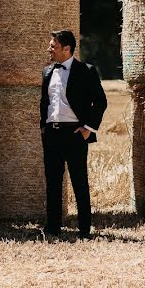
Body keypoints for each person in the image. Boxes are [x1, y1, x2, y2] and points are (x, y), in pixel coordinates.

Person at [39, 30, 107, 239]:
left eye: (53, 46)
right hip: (52, 133)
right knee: (52, 181)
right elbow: (46, 102)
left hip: (75, 133)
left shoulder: (86, 71)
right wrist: (44, 127)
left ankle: (84, 229)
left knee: (79, 181)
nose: (49, 49)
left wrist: (89, 128)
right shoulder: (47, 71)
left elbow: (101, 102)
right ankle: (52, 227)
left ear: (67, 49)